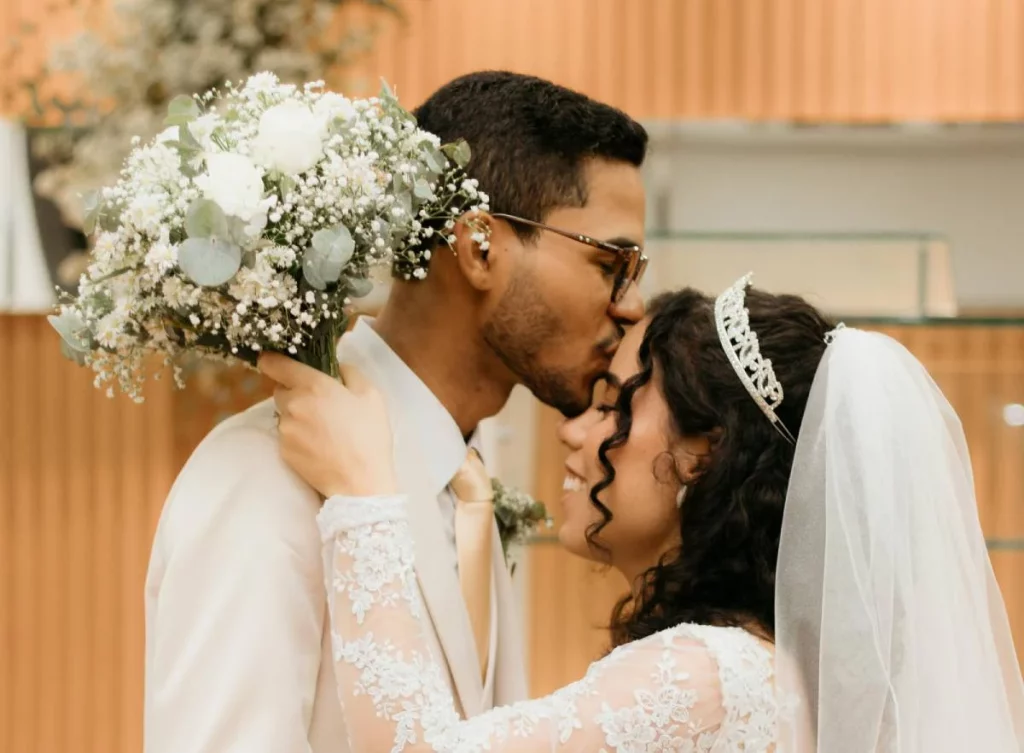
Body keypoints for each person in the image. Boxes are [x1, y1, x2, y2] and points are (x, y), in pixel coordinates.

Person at [261, 275, 1024, 751]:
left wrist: (363, 493)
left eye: (612, 404)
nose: (573, 430)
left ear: (703, 453)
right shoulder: (767, 672)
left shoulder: (712, 675)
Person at [142, 71, 648, 753]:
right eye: (612, 264)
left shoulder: (470, 487)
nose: (631, 306)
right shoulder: (261, 475)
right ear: (478, 247)